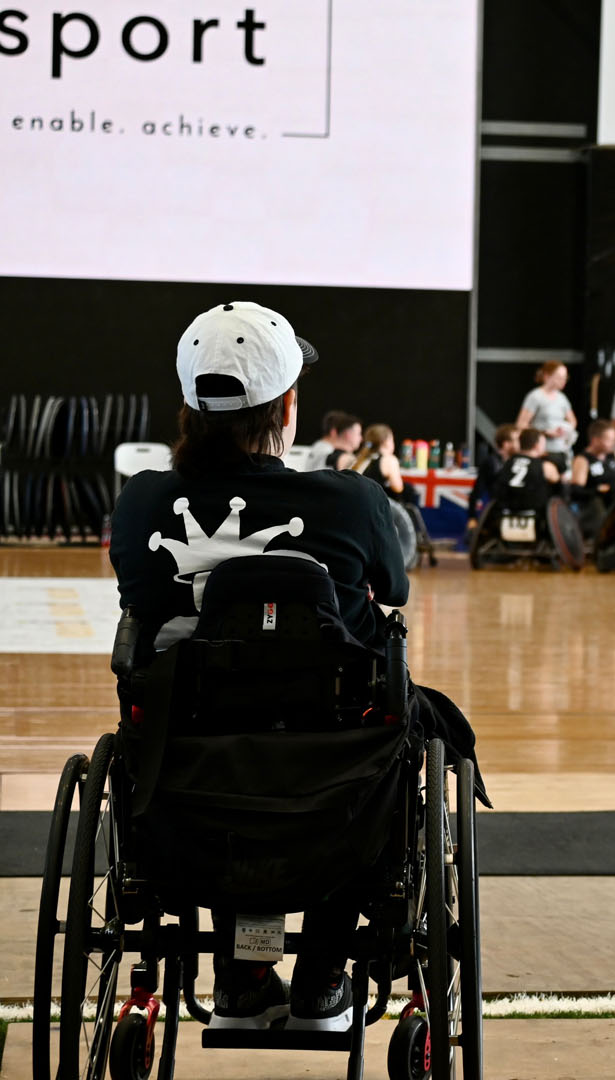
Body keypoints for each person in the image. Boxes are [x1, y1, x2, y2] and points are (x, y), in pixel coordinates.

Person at [109, 302, 480, 1034]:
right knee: (375, 734)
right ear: (287, 406)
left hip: (186, 767)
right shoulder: (349, 500)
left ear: (189, 403)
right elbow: (395, 592)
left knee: (231, 741)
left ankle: (243, 979)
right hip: (335, 765)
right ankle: (321, 977)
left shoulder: (142, 502)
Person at [351, 424, 436, 567]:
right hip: (378, 506)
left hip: (357, 505)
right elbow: (398, 487)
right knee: (408, 492)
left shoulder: (359, 459)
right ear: (386, 441)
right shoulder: (389, 459)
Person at [571, 419, 615, 539]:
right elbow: (575, 491)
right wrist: (597, 490)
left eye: (614, 439)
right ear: (595, 440)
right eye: (609, 440)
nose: (613, 443)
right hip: (594, 503)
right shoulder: (583, 459)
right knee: (598, 506)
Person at [516, 361, 577, 469]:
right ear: (547, 376)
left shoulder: (562, 398)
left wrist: (565, 430)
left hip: (561, 450)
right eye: (559, 377)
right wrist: (544, 432)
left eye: (565, 377)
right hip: (542, 451)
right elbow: (521, 424)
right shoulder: (535, 396)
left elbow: (573, 421)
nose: (563, 380)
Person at [494, 428, 560, 512]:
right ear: (537, 446)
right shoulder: (546, 466)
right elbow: (558, 484)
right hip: (536, 513)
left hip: (506, 511)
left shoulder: (507, 462)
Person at [468, 423, 519, 531]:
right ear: (506, 444)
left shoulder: (519, 461)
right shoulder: (491, 463)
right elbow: (477, 491)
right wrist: (472, 518)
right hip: (498, 511)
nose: (520, 444)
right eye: (516, 440)